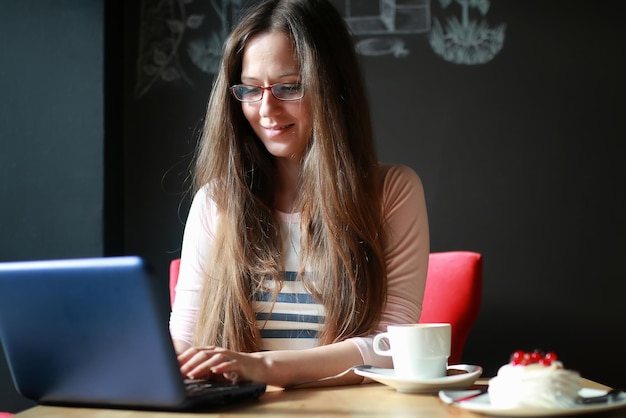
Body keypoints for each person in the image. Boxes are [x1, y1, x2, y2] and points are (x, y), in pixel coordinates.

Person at [169, 0, 429, 388]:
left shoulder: (392, 191)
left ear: (332, 87)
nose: (266, 108)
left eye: (289, 86)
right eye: (251, 90)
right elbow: (186, 342)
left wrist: (265, 367)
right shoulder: (215, 201)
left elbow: (390, 346)